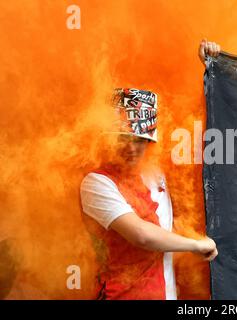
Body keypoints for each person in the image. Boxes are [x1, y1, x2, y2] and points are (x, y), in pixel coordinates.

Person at [80, 40, 221, 300]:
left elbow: (200, 130)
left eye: (140, 141)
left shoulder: (155, 171)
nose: (132, 148)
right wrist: (196, 245)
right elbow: (142, 236)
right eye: (123, 139)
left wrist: (212, 68)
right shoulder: (96, 182)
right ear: (109, 139)